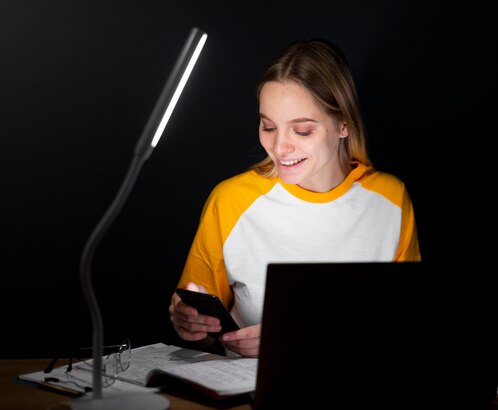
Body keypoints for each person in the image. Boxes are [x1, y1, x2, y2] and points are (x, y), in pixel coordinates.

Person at [169, 38, 421, 358]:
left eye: (302, 131)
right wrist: (191, 325)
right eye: (268, 127)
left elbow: (407, 328)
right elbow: (203, 336)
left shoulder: (390, 200)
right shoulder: (230, 200)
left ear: (343, 123)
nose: (280, 147)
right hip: (247, 400)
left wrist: (293, 339)